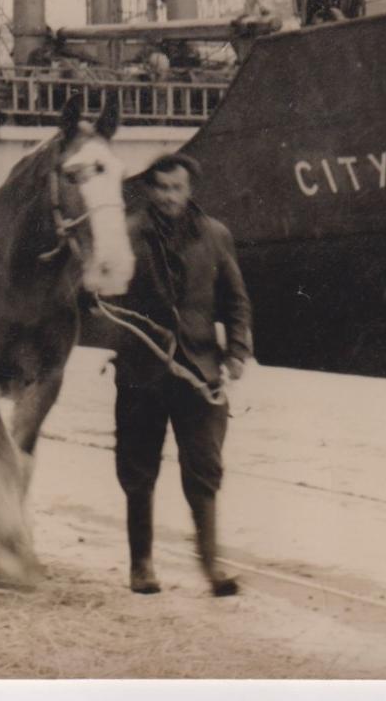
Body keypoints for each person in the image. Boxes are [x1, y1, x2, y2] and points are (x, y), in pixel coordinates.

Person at [109, 152, 253, 596]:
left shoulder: (215, 236)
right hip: (141, 374)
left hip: (200, 373)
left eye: (177, 189)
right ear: (150, 191)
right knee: (138, 471)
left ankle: (211, 567)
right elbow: (104, 302)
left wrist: (237, 352)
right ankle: (142, 566)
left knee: (204, 470)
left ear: (189, 190)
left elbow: (236, 300)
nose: (169, 197)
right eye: (162, 189)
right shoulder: (127, 235)